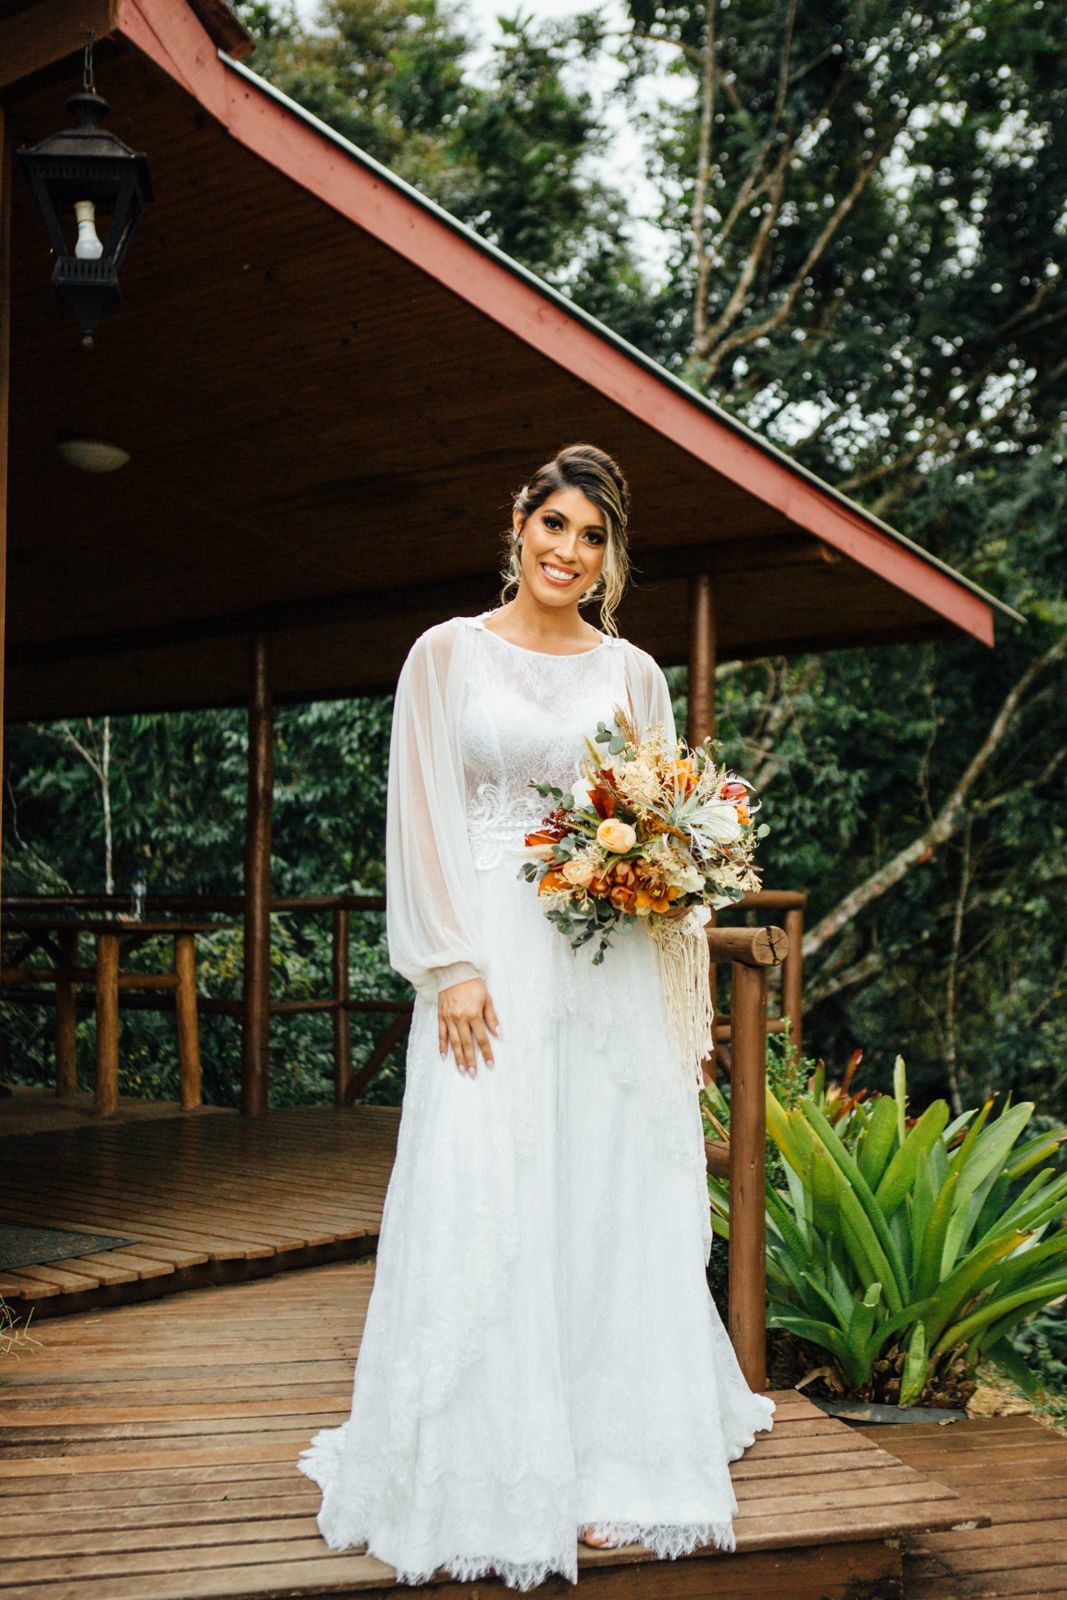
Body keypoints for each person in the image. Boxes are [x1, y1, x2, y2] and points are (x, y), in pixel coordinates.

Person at [297, 442, 776, 1590]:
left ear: (610, 557)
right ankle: (484, 1463)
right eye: (552, 525)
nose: (567, 550)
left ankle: (615, 1461)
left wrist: (681, 998)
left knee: (607, 1189)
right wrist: (447, 963)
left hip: (606, 959)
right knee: (485, 1177)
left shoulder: (634, 673)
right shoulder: (444, 655)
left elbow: (665, 834)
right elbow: (414, 812)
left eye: (591, 536)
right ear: (517, 525)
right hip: (491, 956)